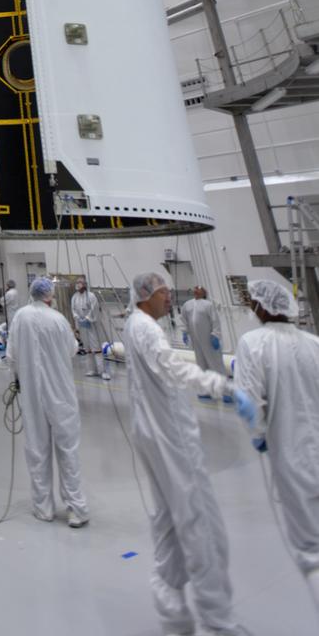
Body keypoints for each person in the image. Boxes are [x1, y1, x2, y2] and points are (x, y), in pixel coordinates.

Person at [125, 270, 256, 636]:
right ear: (144, 295)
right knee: (200, 524)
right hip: (170, 438)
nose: (170, 297)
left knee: (168, 521)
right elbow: (171, 367)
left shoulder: (138, 325)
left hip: (153, 432)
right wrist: (221, 386)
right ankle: (217, 620)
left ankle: (173, 614)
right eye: (163, 292)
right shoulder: (147, 329)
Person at [234, 278, 319, 613]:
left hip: (292, 455)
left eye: (253, 301)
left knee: (312, 550)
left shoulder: (253, 343)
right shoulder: (314, 342)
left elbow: (247, 401)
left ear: (263, 306)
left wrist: (258, 436)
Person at [6, 276, 89, 527]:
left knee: (37, 449)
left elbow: (11, 355)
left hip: (32, 394)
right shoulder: (58, 319)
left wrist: (19, 378)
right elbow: (72, 349)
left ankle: (44, 508)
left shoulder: (20, 317)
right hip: (60, 394)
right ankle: (76, 509)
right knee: (68, 450)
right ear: (50, 296)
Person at [181, 285, 227, 379]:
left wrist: (215, 335)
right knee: (201, 363)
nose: (196, 290)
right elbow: (184, 319)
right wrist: (185, 332)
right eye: (195, 289)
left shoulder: (208, 305)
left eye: (199, 289)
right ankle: (206, 386)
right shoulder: (187, 305)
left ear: (204, 293)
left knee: (215, 362)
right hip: (196, 341)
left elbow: (215, 321)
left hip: (208, 340)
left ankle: (222, 386)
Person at [71, 276, 110, 380]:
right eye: (77, 282)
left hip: (92, 325)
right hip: (83, 326)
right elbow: (73, 309)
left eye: (80, 282)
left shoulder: (91, 296)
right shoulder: (74, 297)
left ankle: (102, 371)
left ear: (85, 284)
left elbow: (94, 309)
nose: (78, 284)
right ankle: (92, 370)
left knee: (96, 348)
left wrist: (88, 318)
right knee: (87, 348)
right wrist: (77, 319)